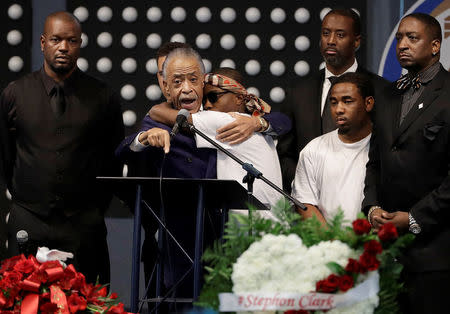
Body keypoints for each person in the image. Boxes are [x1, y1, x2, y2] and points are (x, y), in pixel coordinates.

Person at [0, 11, 124, 284]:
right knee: (20, 301)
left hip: (83, 223)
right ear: (43, 42)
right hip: (28, 218)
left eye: (71, 40)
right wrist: (26, 194)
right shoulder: (14, 94)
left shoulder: (103, 97)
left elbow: (112, 159)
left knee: (87, 300)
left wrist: (94, 209)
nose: (64, 47)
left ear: (80, 43)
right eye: (56, 39)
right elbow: (6, 156)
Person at [362, 13, 450, 314]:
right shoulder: (386, 95)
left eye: (413, 38)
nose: (402, 44)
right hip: (385, 250)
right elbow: (374, 162)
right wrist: (372, 207)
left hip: (436, 252)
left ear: (435, 45)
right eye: (399, 37)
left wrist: (413, 217)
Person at [277, 8, 388, 192]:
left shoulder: (381, 90)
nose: (331, 41)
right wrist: (306, 186)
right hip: (308, 207)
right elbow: (284, 153)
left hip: (361, 199)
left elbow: (386, 152)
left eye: (340, 35)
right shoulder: (298, 91)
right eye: (326, 33)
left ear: (357, 41)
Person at [291, 72, 374, 225]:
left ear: (368, 103)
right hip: (328, 244)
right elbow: (305, 205)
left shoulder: (385, 146)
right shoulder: (314, 149)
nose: (338, 109)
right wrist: (333, 243)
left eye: (347, 101)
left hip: (374, 245)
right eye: (333, 102)